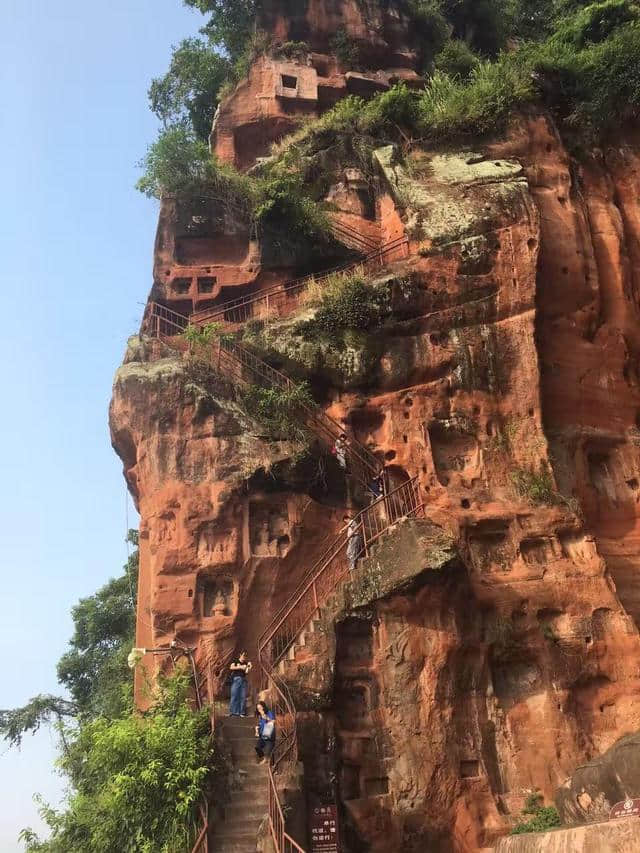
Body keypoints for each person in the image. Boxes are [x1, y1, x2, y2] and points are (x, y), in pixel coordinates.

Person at [228, 651, 252, 717]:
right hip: (236, 679)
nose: (244, 657)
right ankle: (234, 712)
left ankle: (242, 712)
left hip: (243, 680)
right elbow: (231, 667)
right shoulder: (235, 661)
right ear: (240, 654)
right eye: (244, 655)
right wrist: (240, 667)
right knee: (234, 695)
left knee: (243, 696)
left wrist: (249, 667)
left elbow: (246, 672)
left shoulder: (246, 663)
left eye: (246, 656)